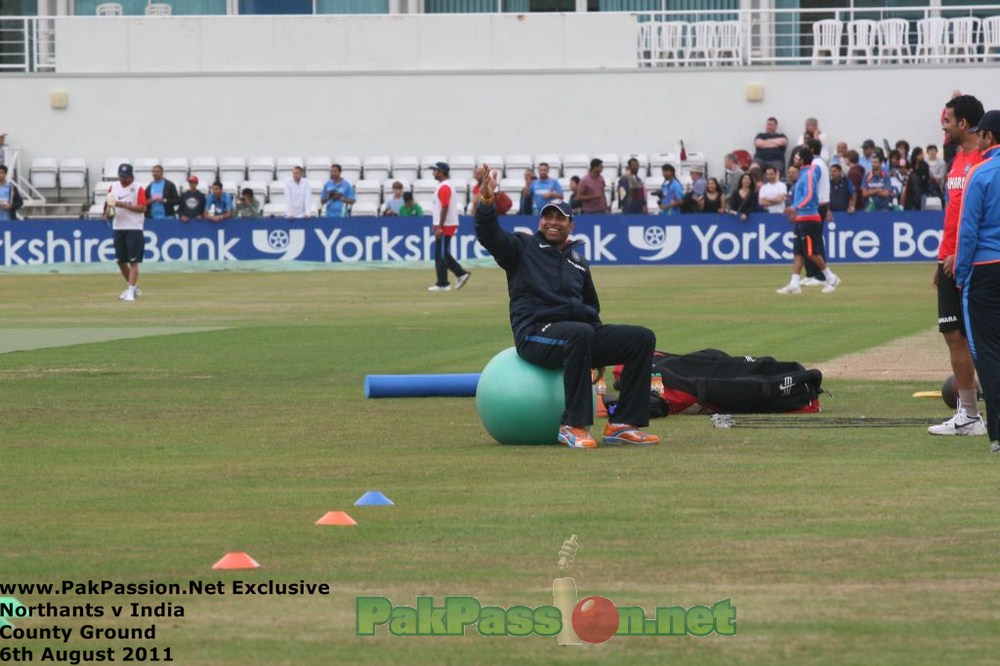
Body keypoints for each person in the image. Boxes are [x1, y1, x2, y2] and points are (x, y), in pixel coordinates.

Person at [474, 165, 658, 449]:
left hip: (577, 335)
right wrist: (486, 202)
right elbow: (489, 235)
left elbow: (590, 308)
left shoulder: (578, 261)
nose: (552, 222)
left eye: (560, 219)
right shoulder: (522, 249)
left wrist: (597, 353)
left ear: (570, 225)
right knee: (579, 334)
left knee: (640, 338)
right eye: (547, 217)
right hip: (535, 334)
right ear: (539, 222)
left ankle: (622, 424)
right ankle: (572, 425)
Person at [929, 93, 987, 437]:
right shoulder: (957, 159)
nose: (943, 125)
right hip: (948, 261)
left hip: (970, 263)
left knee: (981, 339)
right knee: (953, 336)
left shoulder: (984, 159)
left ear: (964, 124)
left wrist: (961, 255)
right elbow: (953, 217)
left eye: (948, 120)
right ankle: (968, 415)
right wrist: (941, 260)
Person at [954, 109, 1000, 452]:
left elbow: (967, 231)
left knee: (986, 352)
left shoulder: (980, 172)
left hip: (985, 270)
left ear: (987, 137)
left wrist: (960, 274)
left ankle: (998, 434)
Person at [776, 147, 842, 295]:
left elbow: (810, 194)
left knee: (811, 253)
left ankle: (831, 277)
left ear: (803, 159)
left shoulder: (810, 173)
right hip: (802, 218)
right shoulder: (804, 174)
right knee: (798, 252)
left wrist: (794, 207)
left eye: (797, 157)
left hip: (809, 217)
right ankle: (794, 283)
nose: (794, 159)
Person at [104, 163, 148, 302]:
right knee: (120, 260)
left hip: (134, 227)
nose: (122, 179)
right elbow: (108, 206)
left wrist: (124, 205)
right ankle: (134, 288)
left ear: (131, 176)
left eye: (125, 177)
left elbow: (142, 208)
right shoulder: (113, 187)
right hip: (118, 227)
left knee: (133, 261)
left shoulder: (138, 188)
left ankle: (130, 292)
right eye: (120, 176)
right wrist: (107, 213)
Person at [427, 161, 470, 292]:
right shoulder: (444, 186)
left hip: (445, 225)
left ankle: (445, 282)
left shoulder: (444, 187)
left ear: (441, 172)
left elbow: (445, 207)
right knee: (442, 253)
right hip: (445, 224)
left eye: (435, 170)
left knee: (441, 254)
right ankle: (455, 276)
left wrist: (440, 226)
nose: (433, 173)